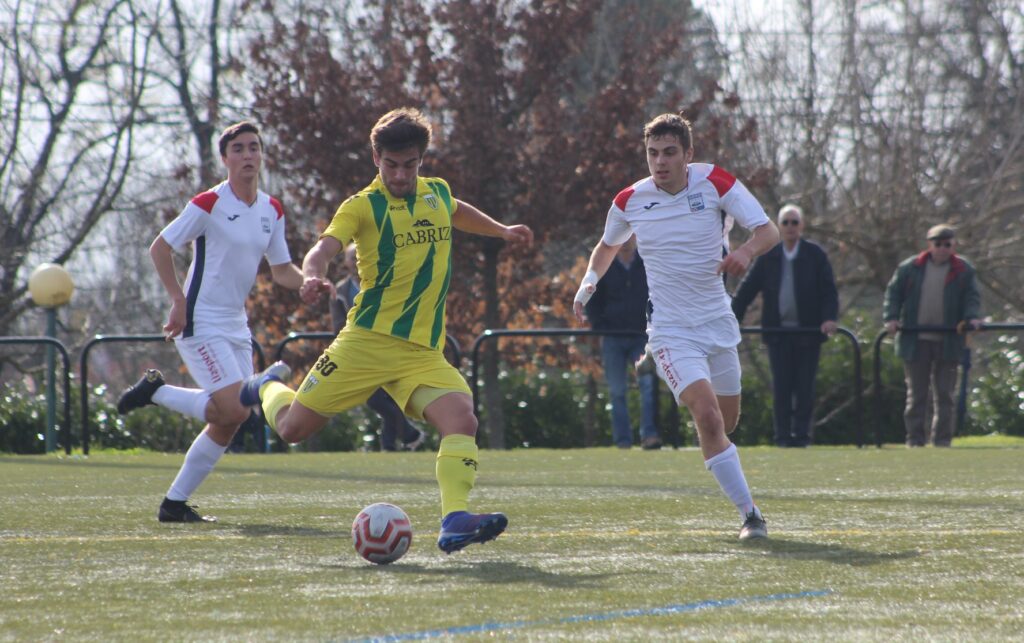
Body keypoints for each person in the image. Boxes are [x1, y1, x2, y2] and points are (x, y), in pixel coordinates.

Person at [239, 107, 533, 553]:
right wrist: (313, 275)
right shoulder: (362, 206)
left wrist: (501, 231)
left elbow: (456, 212)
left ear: (421, 160)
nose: (400, 174)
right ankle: (267, 385)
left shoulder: (436, 193)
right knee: (293, 428)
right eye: (391, 165)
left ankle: (454, 519)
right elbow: (324, 248)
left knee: (461, 419)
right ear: (376, 158)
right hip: (366, 343)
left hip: (422, 352)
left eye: (410, 165)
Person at [573, 113, 778, 540]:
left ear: (688, 154)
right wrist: (588, 283)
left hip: (717, 321)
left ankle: (654, 367)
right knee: (707, 419)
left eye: (669, 153)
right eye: (652, 153)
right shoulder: (630, 199)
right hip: (670, 328)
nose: (660, 162)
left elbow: (768, 230)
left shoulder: (716, 181)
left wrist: (747, 252)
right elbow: (607, 246)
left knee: (727, 420)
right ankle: (750, 515)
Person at [117, 121, 304, 522]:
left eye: (254, 147)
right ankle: (255, 385)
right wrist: (177, 300)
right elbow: (160, 247)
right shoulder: (208, 203)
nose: (248, 155)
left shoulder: (272, 209)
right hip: (200, 319)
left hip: (236, 324)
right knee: (235, 405)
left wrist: (309, 284)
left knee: (230, 417)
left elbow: (283, 270)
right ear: (225, 159)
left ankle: (173, 503)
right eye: (238, 149)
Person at [731, 204, 839, 447]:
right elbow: (747, 290)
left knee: (804, 388)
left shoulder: (815, 255)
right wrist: (731, 318)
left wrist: (829, 318)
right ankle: (781, 437)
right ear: (779, 226)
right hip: (777, 335)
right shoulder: (769, 255)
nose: (790, 227)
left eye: (794, 222)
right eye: (785, 223)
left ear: (801, 226)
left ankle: (801, 437)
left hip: (808, 334)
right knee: (781, 388)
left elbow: (828, 290)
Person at [883, 223, 981, 447]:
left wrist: (972, 317)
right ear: (929, 245)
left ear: (954, 246)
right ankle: (915, 440)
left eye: (947, 244)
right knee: (916, 395)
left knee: (945, 395)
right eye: (938, 243)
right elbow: (893, 294)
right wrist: (891, 317)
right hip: (915, 340)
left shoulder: (963, 270)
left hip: (948, 340)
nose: (942, 248)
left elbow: (972, 297)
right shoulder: (910, 268)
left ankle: (942, 441)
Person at [329, 243, 427, 452]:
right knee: (375, 399)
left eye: (359, 255)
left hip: (389, 346)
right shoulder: (341, 290)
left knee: (387, 398)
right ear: (346, 263)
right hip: (359, 352)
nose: (356, 261)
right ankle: (409, 435)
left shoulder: (385, 283)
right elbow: (337, 323)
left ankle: (390, 445)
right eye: (352, 257)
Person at [582, 235, 661, 450]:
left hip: (641, 336)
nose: (625, 241)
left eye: (630, 236)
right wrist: (600, 326)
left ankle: (650, 436)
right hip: (613, 337)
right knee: (617, 391)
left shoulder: (648, 261)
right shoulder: (604, 264)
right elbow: (592, 299)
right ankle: (623, 441)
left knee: (647, 386)